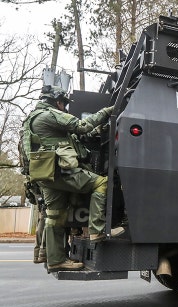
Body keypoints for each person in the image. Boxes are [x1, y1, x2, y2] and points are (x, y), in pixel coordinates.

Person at [21, 85, 123, 272]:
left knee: (55, 215)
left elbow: (72, 137)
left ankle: (54, 259)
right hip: (60, 171)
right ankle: (96, 231)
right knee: (101, 183)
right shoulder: (50, 115)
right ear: (57, 101)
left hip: (45, 173)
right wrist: (108, 111)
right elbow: (82, 126)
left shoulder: (32, 119)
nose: (64, 107)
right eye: (63, 103)